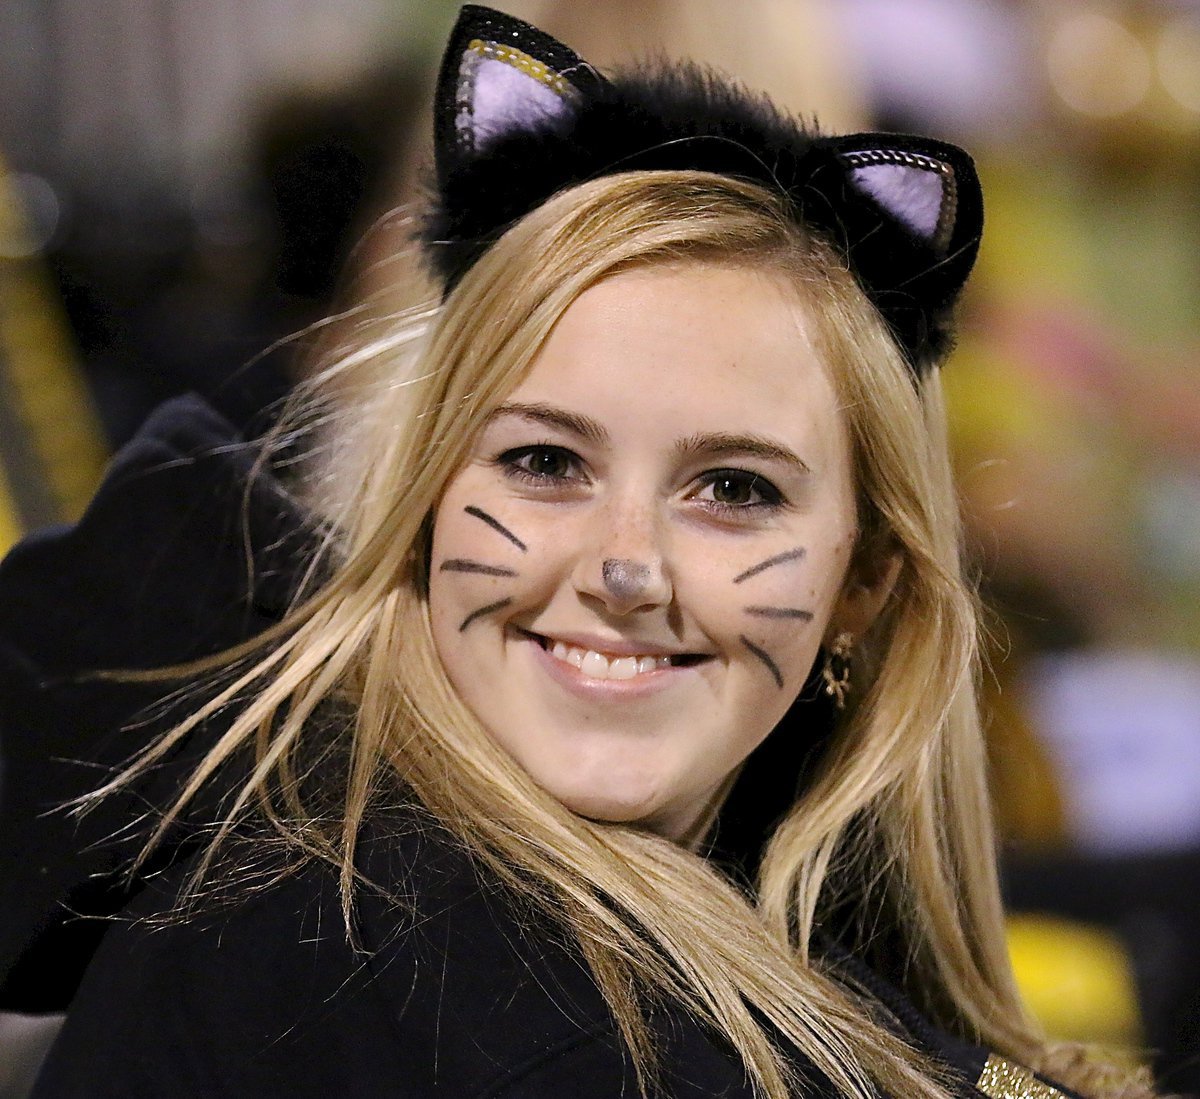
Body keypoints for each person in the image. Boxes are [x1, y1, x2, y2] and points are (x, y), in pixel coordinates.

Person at [0, 6, 1158, 1098]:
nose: (624, 565)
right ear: (423, 502)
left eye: (733, 488)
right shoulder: (383, 946)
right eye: (546, 463)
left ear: (863, 585)